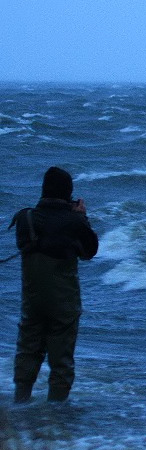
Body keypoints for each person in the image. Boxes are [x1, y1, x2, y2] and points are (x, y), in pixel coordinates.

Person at [10, 167, 99, 403]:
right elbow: (89, 251)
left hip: (33, 300)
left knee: (28, 350)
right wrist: (81, 217)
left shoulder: (25, 218)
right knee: (61, 361)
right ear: (67, 193)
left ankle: (19, 405)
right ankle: (56, 418)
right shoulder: (73, 222)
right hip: (63, 302)